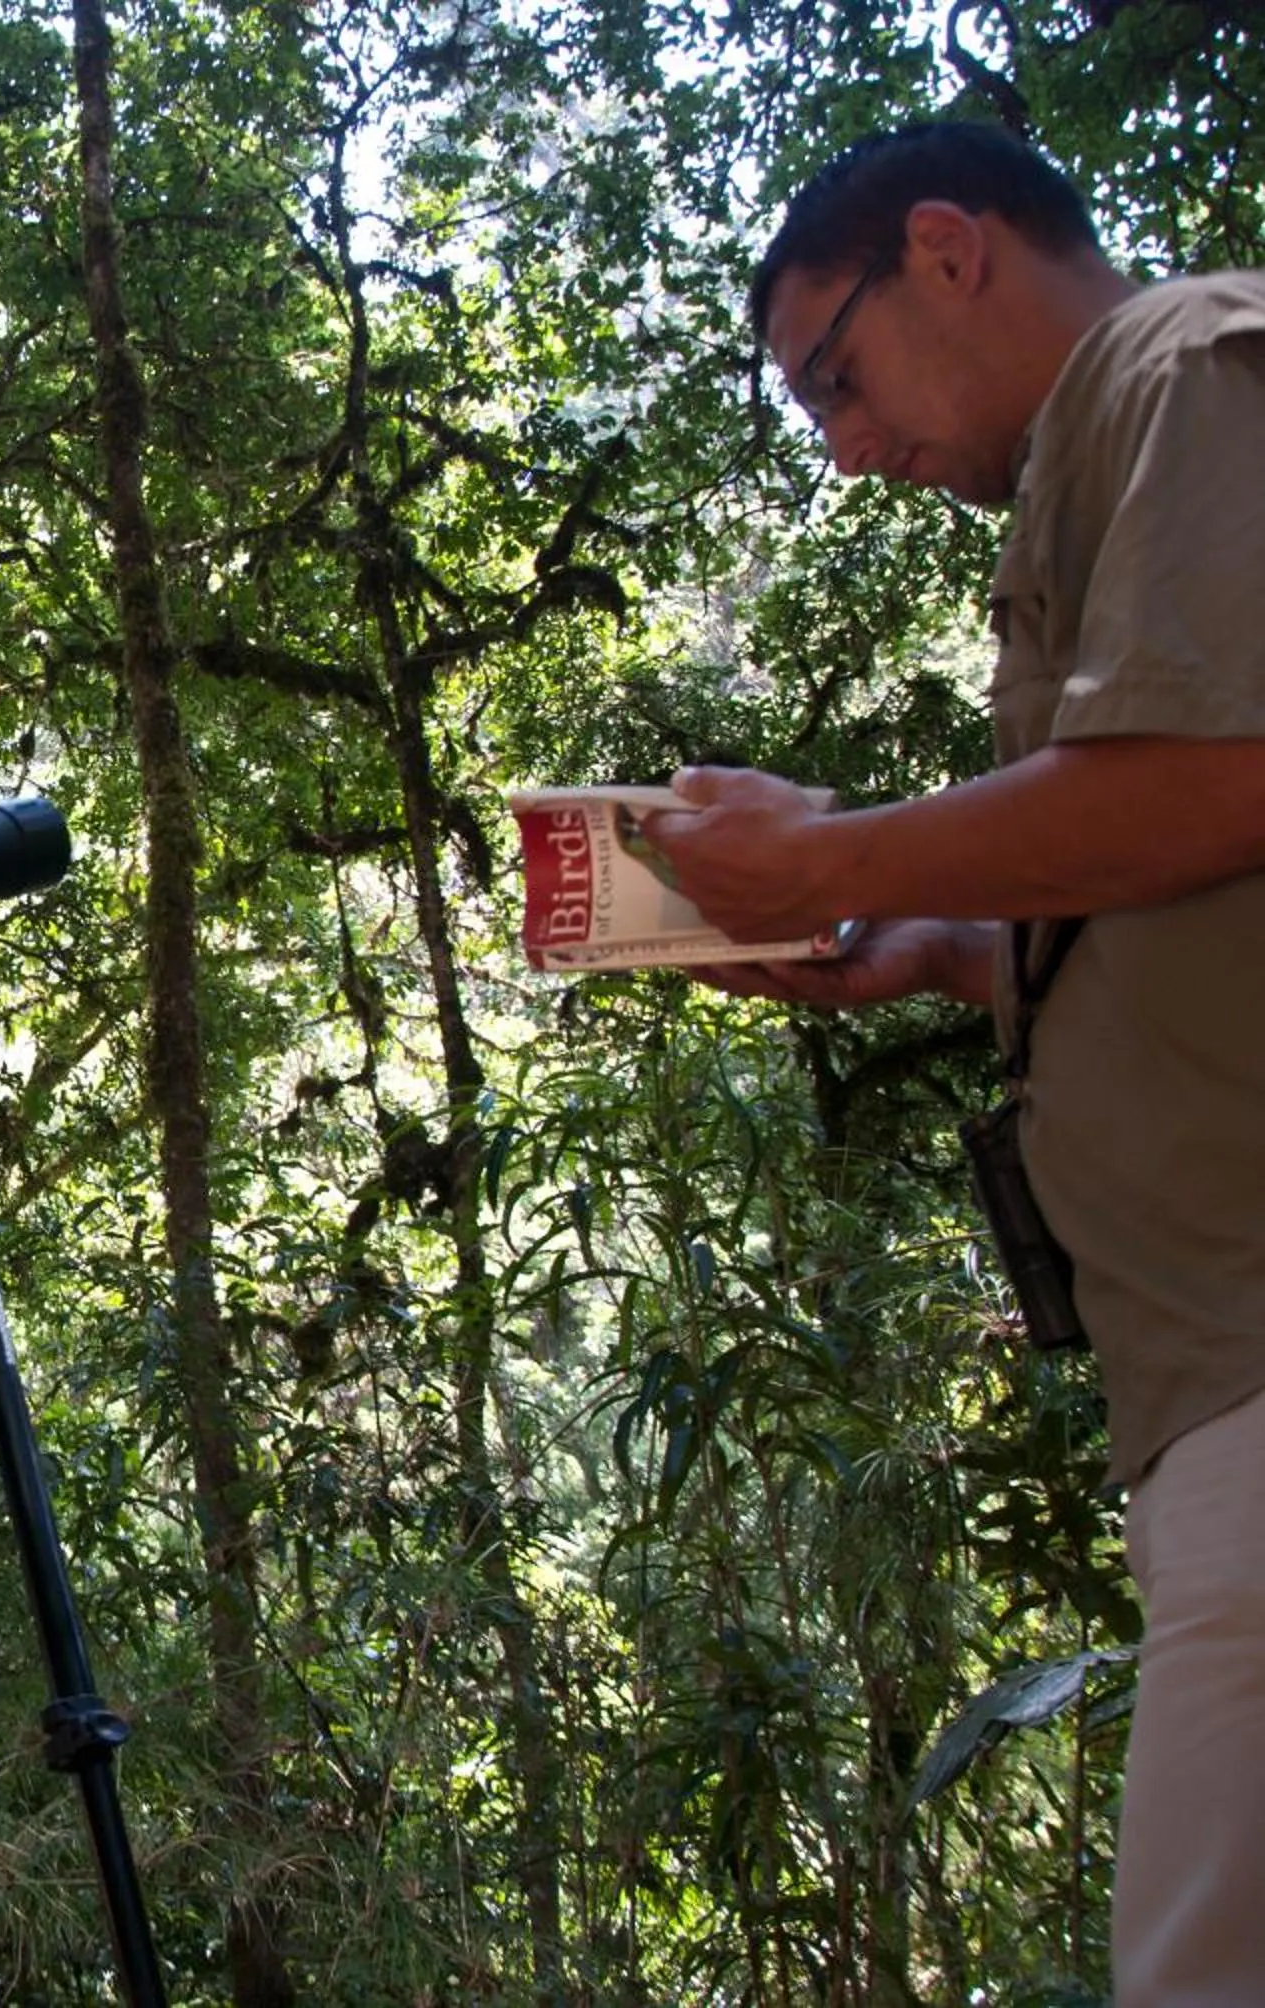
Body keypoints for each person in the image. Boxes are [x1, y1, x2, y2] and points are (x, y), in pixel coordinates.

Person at [642, 121, 1265, 2004]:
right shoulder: (1101, 465)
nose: (843, 443)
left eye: (837, 372)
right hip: (1208, 1364)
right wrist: (914, 942)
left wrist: (829, 855)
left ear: (947, 249)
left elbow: (1217, 779)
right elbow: (1147, 879)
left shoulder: (1192, 365)